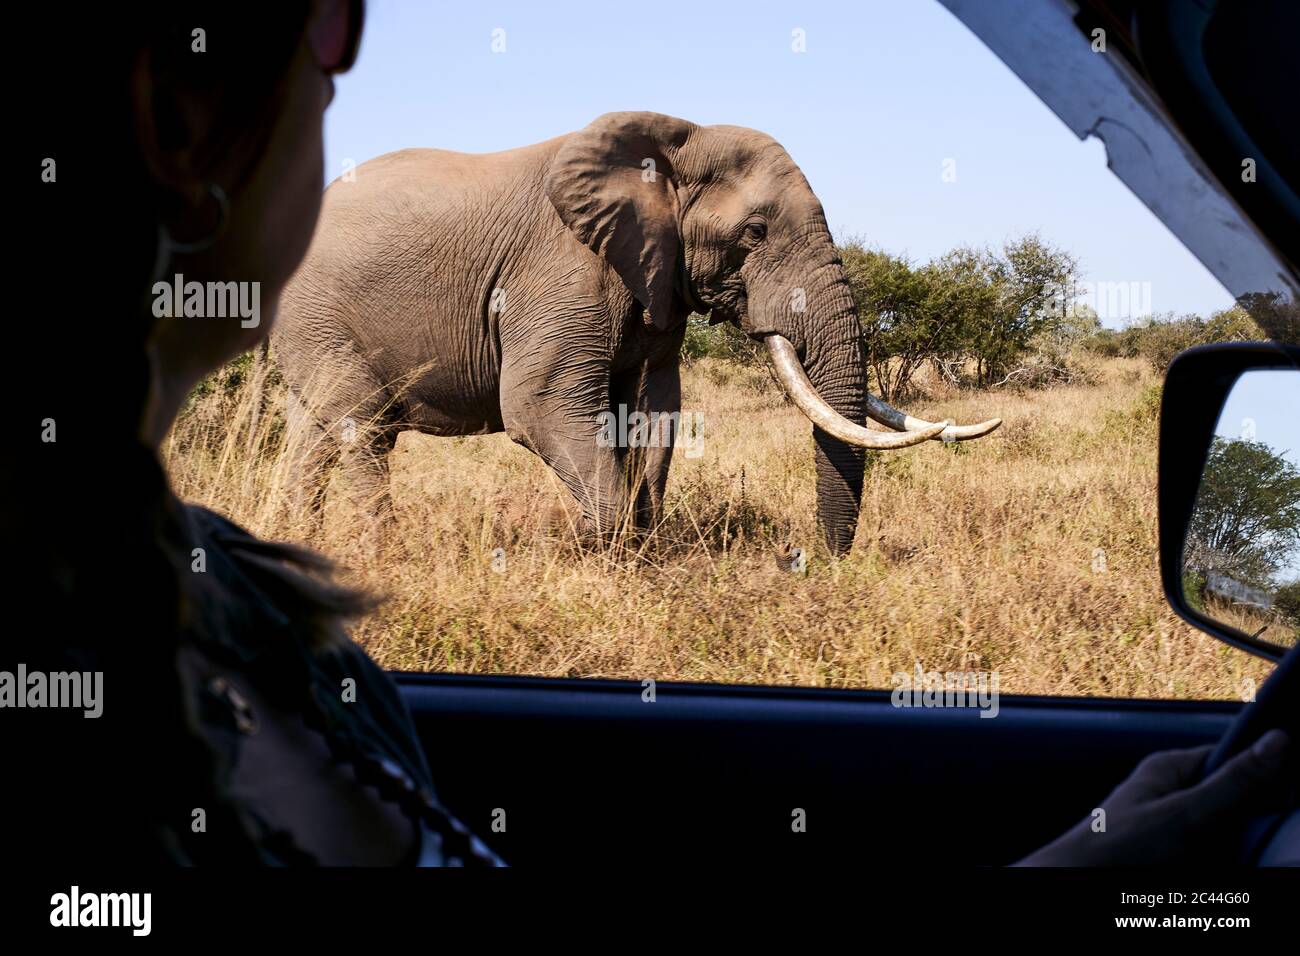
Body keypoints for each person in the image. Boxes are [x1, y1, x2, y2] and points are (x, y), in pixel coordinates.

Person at [15, 0, 1289, 868]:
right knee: (348, 433)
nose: (345, 46)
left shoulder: (226, 607)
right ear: (179, 113)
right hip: (377, 333)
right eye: (336, 22)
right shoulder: (208, 667)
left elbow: (649, 402)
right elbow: (542, 400)